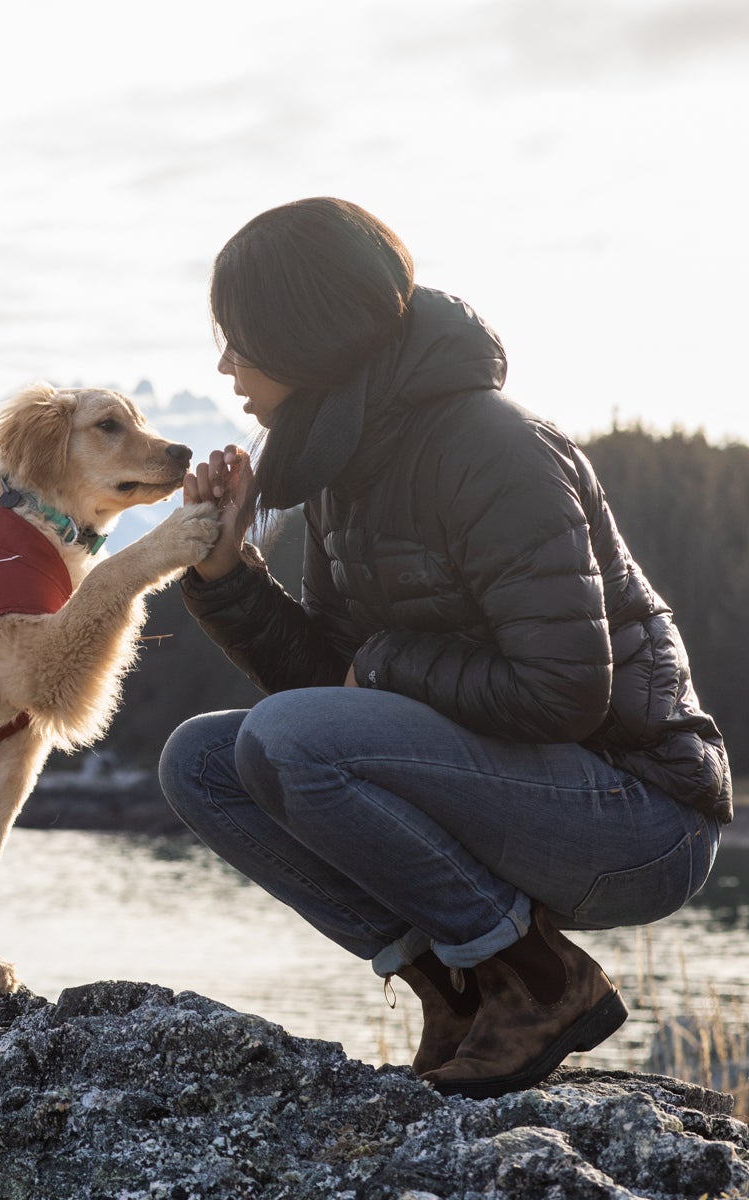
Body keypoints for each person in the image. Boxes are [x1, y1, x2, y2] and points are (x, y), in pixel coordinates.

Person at [158, 197, 732, 1098]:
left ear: (303, 335)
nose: (225, 363)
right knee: (203, 760)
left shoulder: (491, 448)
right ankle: (461, 992)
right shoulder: (347, 463)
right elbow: (327, 702)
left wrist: (381, 668)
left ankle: (543, 983)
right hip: (515, 787)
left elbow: (565, 690)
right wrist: (231, 575)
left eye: (239, 336)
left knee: (285, 736)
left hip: (636, 811)